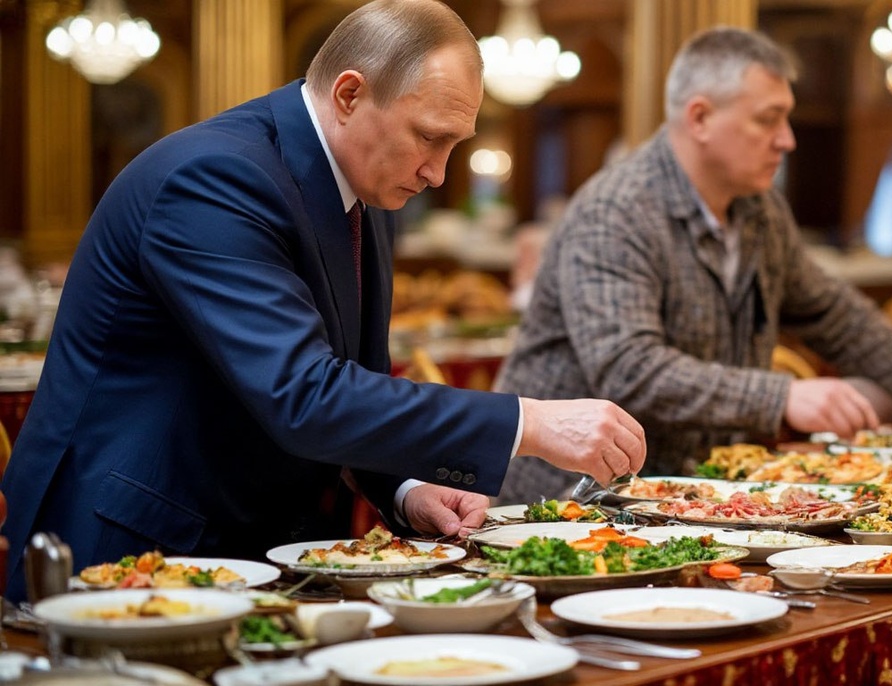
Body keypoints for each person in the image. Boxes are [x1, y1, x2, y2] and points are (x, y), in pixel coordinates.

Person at [0, 0, 645, 602]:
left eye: (455, 144)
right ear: (349, 94)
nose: (438, 173)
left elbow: (354, 382)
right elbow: (303, 396)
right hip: (132, 547)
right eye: (429, 137)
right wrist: (528, 423)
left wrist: (405, 487)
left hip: (255, 549)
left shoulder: (365, 186)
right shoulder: (215, 176)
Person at [494, 26, 892, 504]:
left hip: (684, 494)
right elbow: (631, 370)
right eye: (768, 120)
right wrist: (782, 397)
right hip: (560, 503)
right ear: (700, 117)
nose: (787, 140)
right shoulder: (617, 209)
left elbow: (839, 318)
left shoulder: (759, 208)